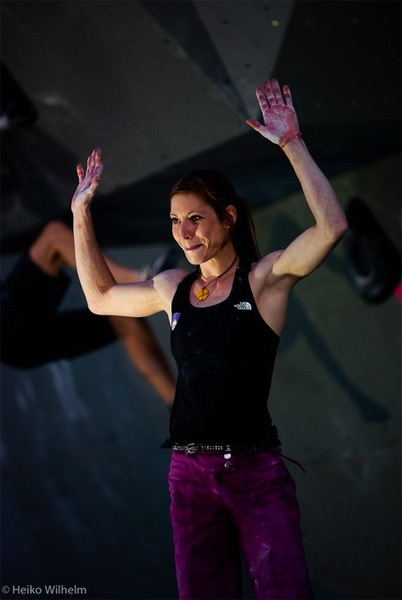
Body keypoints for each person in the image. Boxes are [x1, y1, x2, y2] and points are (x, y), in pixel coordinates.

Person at [70, 79, 348, 599]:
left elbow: (331, 226)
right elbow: (100, 297)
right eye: (176, 221)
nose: (184, 231)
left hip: (254, 472)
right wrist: (81, 213)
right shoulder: (173, 287)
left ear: (228, 217)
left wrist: (292, 144)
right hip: (188, 476)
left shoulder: (264, 280)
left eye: (196, 218)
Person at [1, 220, 180, 406]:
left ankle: (178, 404)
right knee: (53, 237)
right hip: (8, 332)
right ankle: (138, 281)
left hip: (14, 345)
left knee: (122, 317)